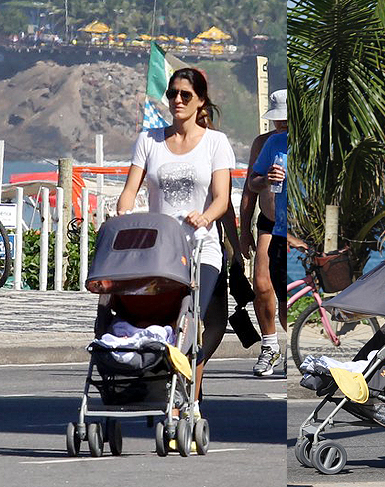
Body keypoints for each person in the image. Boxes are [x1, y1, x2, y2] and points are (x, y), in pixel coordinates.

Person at [117, 67, 235, 417]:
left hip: (201, 247)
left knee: (194, 319)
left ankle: (188, 388)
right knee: (165, 318)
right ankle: (172, 383)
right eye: (172, 95)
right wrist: (122, 216)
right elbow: (129, 193)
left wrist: (206, 217)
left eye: (185, 95)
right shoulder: (149, 140)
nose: (177, 101)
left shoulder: (216, 142)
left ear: (201, 101)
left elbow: (221, 198)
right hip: (159, 250)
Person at [239, 89, 287, 376]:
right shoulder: (264, 143)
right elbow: (250, 187)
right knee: (261, 283)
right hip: (268, 222)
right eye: (277, 120)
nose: (280, 125)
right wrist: (244, 231)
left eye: (285, 120)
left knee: (285, 295)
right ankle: (269, 345)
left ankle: (289, 347)